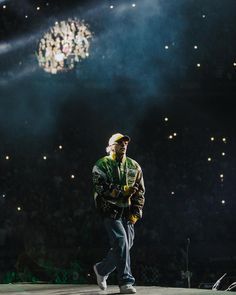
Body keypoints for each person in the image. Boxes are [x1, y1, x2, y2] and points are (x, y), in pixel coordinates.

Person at [92, 133, 145, 294]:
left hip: (127, 212)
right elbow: (101, 189)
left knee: (126, 246)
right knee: (121, 242)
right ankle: (125, 282)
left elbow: (140, 192)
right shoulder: (101, 165)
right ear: (111, 146)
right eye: (120, 142)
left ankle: (101, 269)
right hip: (109, 210)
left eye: (126, 142)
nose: (124, 145)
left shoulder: (134, 166)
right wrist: (123, 191)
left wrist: (136, 212)